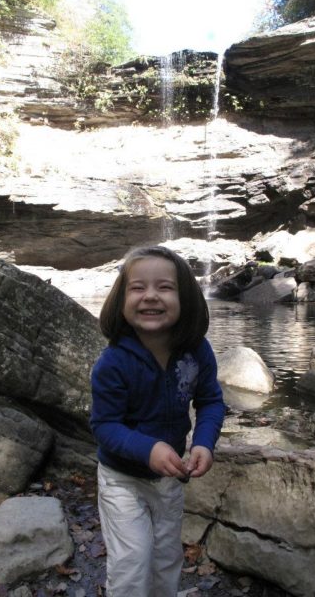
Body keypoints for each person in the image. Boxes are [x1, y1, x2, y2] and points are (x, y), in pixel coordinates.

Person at [90, 245, 225, 597]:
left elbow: (210, 401)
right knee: (132, 561)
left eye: (165, 287)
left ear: (186, 298)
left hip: (170, 477)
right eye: (138, 288)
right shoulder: (113, 363)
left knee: (166, 559)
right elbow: (105, 426)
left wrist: (203, 443)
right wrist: (148, 448)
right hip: (121, 479)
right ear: (121, 299)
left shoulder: (198, 351)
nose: (150, 296)